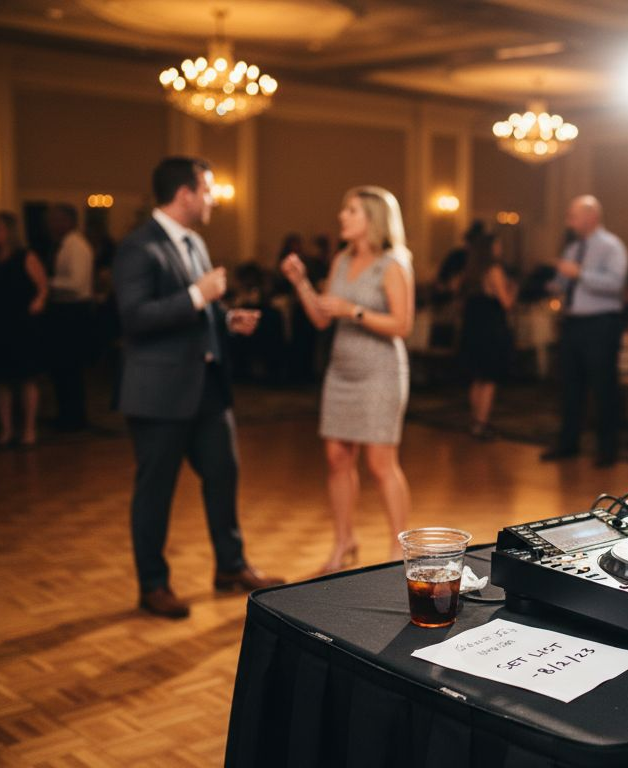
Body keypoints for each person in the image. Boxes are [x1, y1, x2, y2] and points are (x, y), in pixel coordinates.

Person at [115, 156, 283, 619]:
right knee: (156, 491)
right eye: (208, 190)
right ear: (185, 193)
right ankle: (153, 585)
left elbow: (197, 313)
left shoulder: (195, 243)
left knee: (223, 474)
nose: (213, 199)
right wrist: (198, 295)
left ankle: (230, 567)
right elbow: (134, 317)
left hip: (206, 386)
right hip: (159, 392)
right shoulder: (138, 247)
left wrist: (226, 319)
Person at [281, 186, 415, 573]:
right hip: (341, 371)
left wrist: (353, 310)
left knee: (380, 463)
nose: (342, 217)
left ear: (372, 219)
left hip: (380, 372)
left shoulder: (392, 264)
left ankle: (397, 548)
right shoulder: (341, 260)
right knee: (337, 458)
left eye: (351, 211)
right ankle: (344, 542)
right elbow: (323, 318)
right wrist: (302, 283)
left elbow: (402, 325)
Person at [541, 195, 628, 467]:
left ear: (591, 216)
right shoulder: (572, 248)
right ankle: (569, 443)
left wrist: (580, 274)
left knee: (603, 386)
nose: (569, 221)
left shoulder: (611, 246)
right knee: (570, 385)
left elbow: (616, 284)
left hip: (601, 323)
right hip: (573, 323)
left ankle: (607, 449)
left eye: (573, 215)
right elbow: (562, 280)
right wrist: (555, 285)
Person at [0, 211, 49, 448]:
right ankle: (6, 430)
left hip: (20, 323)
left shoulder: (25, 256)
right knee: (0, 379)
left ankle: (28, 429)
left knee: (26, 377)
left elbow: (42, 286)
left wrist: (38, 302)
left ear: (9, 231)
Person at [457, 231, 516, 439]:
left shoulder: (471, 272)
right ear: (490, 248)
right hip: (490, 330)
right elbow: (506, 303)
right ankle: (482, 423)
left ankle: (475, 421)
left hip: (473, 330)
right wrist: (513, 289)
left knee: (477, 377)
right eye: (498, 245)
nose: (500, 249)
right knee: (489, 378)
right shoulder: (494, 270)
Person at [45, 203, 95, 431]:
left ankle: (74, 417)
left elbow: (76, 284)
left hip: (74, 312)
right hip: (65, 311)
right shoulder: (64, 244)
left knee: (71, 368)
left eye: (55, 219)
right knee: (62, 368)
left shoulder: (77, 246)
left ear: (68, 221)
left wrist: (46, 283)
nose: (50, 224)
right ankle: (66, 415)